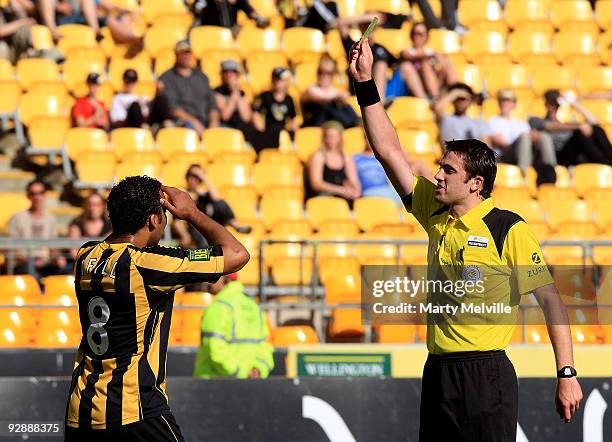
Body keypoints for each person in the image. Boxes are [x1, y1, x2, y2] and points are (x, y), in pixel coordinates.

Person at [349, 39, 582, 440]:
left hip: (486, 374)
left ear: (476, 184)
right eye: (439, 168)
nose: (437, 175)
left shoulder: (508, 228)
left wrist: (567, 373)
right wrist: (366, 84)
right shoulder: (433, 211)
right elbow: (388, 150)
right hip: (438, 371)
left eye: (447, 171)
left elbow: (550, 300)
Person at [64, 175, 250, 441]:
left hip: (81, 409)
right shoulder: (148, 264)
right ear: (154, 219)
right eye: (163, 215)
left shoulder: (86, 255)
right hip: (134, 408)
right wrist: (192, 213)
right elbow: (236, 254)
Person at [193, 272, 274, 378]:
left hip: (214, 383)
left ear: (223, 279)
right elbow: (265, 346)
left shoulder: (217, 308)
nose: (208, 282)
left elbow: (215, 350)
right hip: (249, 383)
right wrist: (258, 369)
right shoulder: (254, 306)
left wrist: (238, 373)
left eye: (212, 277)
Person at [174, 164, 251, 249]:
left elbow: (218, 199)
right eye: (191, 176)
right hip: (196, 228)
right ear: (187, 177)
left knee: (220, 204)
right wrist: (184, 235)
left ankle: (235, 225)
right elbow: (177, 220)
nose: (193, 180)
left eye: (197, 178)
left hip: (211, 225)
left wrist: (204, 177)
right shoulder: (181, 193)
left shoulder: (203, 195)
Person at [528, 90, 612, 166]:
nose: (552, 107)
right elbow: (551, 126)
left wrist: (573, 102)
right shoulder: (536, 120)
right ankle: (605, 162)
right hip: (559, 155)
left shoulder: (568, 123)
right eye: (550, 104)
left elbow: (594, 121)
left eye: (555, 105)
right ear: (545, 104)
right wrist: (579, 127)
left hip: (575, 154)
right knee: (579, 133)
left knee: (596, 129)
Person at [489, 89, 557, 176]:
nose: (505, 103)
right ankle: (525, 174)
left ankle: (551, 171)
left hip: (524, 151)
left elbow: (532, 136)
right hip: (505, 156)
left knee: (544, 136)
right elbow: (503, 143)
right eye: (503, 100)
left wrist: (535, 136)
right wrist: (523, 139)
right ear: (499, 102)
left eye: (509, 100)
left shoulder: (521, 123)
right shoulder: (492, 121)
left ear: (514, 103)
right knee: (524, 138)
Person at [159, 39, 220, 136]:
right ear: (176, 55)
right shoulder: (167, 78)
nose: (186, 56)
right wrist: (194, 122)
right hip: (182, 122)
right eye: (182, 53)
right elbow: (172, 108)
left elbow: (213, 105)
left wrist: (214, 123)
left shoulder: (202, 77)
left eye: (188, 52)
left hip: (205, 122)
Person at [8, 179, 67, 279]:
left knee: (66, 271)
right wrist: (30, 260)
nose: (37, 197)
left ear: (45, 195)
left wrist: (57, 258)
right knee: (31, 274)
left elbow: (54, 247)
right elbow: (11, 248)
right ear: (28, 196)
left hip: (46, 263)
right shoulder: (17, 218)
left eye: (40, 193)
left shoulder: (51, 219)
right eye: (33, 193)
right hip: (23, 263)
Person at [354, 134, 432, 206]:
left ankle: (432, 196)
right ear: (364, 138)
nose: (371, 138)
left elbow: (409, 163)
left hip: (392, 188)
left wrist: (397, 148)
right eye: (367, 135)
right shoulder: (356, 158)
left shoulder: (385, 153)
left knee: (420, 163)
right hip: (372, 192)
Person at [305, 120, 360, 204]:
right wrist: (340, 190)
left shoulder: (346, 157)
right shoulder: (318, 156)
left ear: (340, 137)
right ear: (324, 137)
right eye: (329, 136)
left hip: (343, 196)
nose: (332, 139)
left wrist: (355, 190)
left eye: (335, 136)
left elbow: (354, 181)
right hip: (324, 196)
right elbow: (316, 183)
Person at [398, 22, 457, 99]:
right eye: (416, 33)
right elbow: (407, 55)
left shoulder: (431, 51)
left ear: (426, 36)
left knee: (447, 63)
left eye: (421, 34)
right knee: (425, 63)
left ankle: (455, 93)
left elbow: (443, 64)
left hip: (436, 81)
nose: (418, 37)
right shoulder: (408, 50)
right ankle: (435, 97)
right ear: (412, 35)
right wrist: (430, 56)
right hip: (419, 85)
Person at [301, 55, 359, 128]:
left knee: (345, 106)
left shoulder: (334, 90)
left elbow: (345, 96)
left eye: (328, 73)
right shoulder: (311, 89)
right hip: (316, 122)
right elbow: (321, 99)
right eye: (320, 72)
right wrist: (336, 98)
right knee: (328, 106)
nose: (323, 76)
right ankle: (353, 122)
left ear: (333, 75)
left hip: (333, 121)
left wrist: (339, 98)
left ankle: (353, 122)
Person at [251, 67, 298, 151]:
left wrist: (291, 129)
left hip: (283, 131)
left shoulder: (289, 99)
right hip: (269, 130)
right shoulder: (265, 96)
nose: (279, 82)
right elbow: (255, 113)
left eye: (281, 80)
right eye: (277, 79)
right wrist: (261, 128)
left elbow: (293, 118)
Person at [214, 59, 254, 138]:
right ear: (222, 74)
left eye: (232, 72)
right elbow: (225, 116)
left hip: (241, 127)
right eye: (226, 72)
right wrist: (234, 95)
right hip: (226, 127)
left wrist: (236, 92)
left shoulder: (241, 93)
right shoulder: (217, 92)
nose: (229, 75)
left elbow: (246, 117)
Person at [193, 0, 269, 31]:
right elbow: (196, 8)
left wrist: (258, 19)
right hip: (210, 32)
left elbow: (250, 11)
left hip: (231, 33)